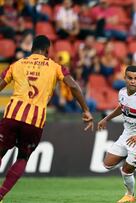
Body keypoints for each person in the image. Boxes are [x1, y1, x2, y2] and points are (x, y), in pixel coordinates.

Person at [0, 35, 94, 202]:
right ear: (48, 50)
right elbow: (73, 85)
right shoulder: (55, 67)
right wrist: (86, 110)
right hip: (35, 121)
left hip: (12, 115)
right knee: (22, 157)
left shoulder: (17, 64)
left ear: (32, 49)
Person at [97, 65, 136, 203]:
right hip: (126, 135)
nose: (132, 81)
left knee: (126, 171)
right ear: (124, 78)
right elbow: (121, 107)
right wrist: (106, 118)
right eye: (130, 78)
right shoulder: (122, 92)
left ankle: (130, 195)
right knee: (107, 165)